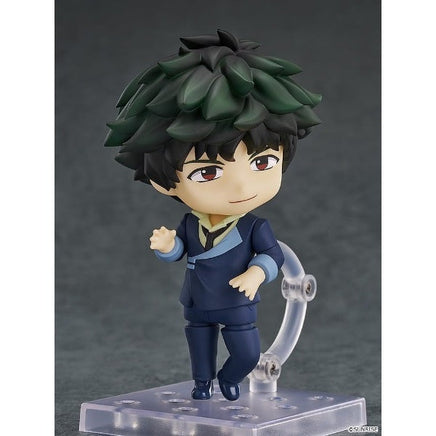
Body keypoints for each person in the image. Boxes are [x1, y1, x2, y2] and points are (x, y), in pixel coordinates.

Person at [105, 29, 321, 401]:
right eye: (208, 172)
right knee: (199, 345)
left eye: (263, 163)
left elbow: (273, 255)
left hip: (237, 301)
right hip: (197, 301)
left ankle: (230, 377)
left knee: (247, 353)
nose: (241, 187)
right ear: (164, 181)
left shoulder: (254, 226)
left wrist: (257, 273)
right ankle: (202, 383)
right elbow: (181, 250)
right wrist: (168, 247)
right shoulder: (191, 222)